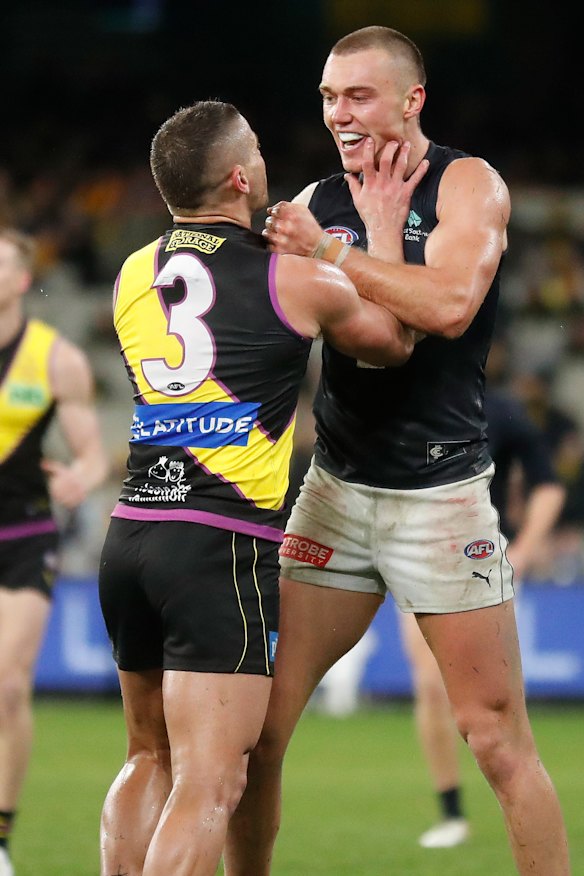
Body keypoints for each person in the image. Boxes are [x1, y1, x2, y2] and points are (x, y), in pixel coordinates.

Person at [224, 26, 571, 876]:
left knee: (495, 741)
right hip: (334, 494)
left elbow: (451, 305)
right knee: (255, 738)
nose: (338, 114)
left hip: (442, 497)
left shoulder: (468, 183)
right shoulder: (316, 198)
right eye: (327, 98)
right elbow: (324, 334)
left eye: (358, 96)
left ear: (413, 100)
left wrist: (338, 249)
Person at [97, 99, 417, 876]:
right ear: (241, 178)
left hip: (131, 532)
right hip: (220, 546)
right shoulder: (296, 279)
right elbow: (396, 341)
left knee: (148, 755)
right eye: (261, 151)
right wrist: (365, 240)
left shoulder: (133, 274)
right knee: (212, 783)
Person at [400, 379, 566, 849]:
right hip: (419, 554)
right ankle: (451, 811)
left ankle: (524, 796)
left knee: (498, 702)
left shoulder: (501, 410)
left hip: (483, 561)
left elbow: (548, 485)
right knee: (431, 686)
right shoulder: (408, 398)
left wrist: (526, 551)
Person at [0, 227, 109, 876]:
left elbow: (93, 452)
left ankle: (2, 837)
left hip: (22, 537)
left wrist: (82, 477)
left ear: (20, 280)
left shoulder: (54, 359)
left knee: (8, 686)